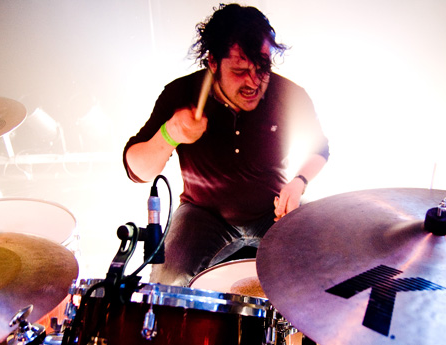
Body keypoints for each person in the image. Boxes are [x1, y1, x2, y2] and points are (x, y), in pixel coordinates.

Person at [123, 3, 330, 286]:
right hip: (202, 214)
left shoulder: (288, 94)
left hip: (271, 209)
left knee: (328, 257)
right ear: (212, 63)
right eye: (239, 70)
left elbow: (320, 148)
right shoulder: (181, 93)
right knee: (168, 279)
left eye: (262, 68)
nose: (253, 82)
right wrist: (170, 133)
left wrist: (298, 182)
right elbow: (138, 170)